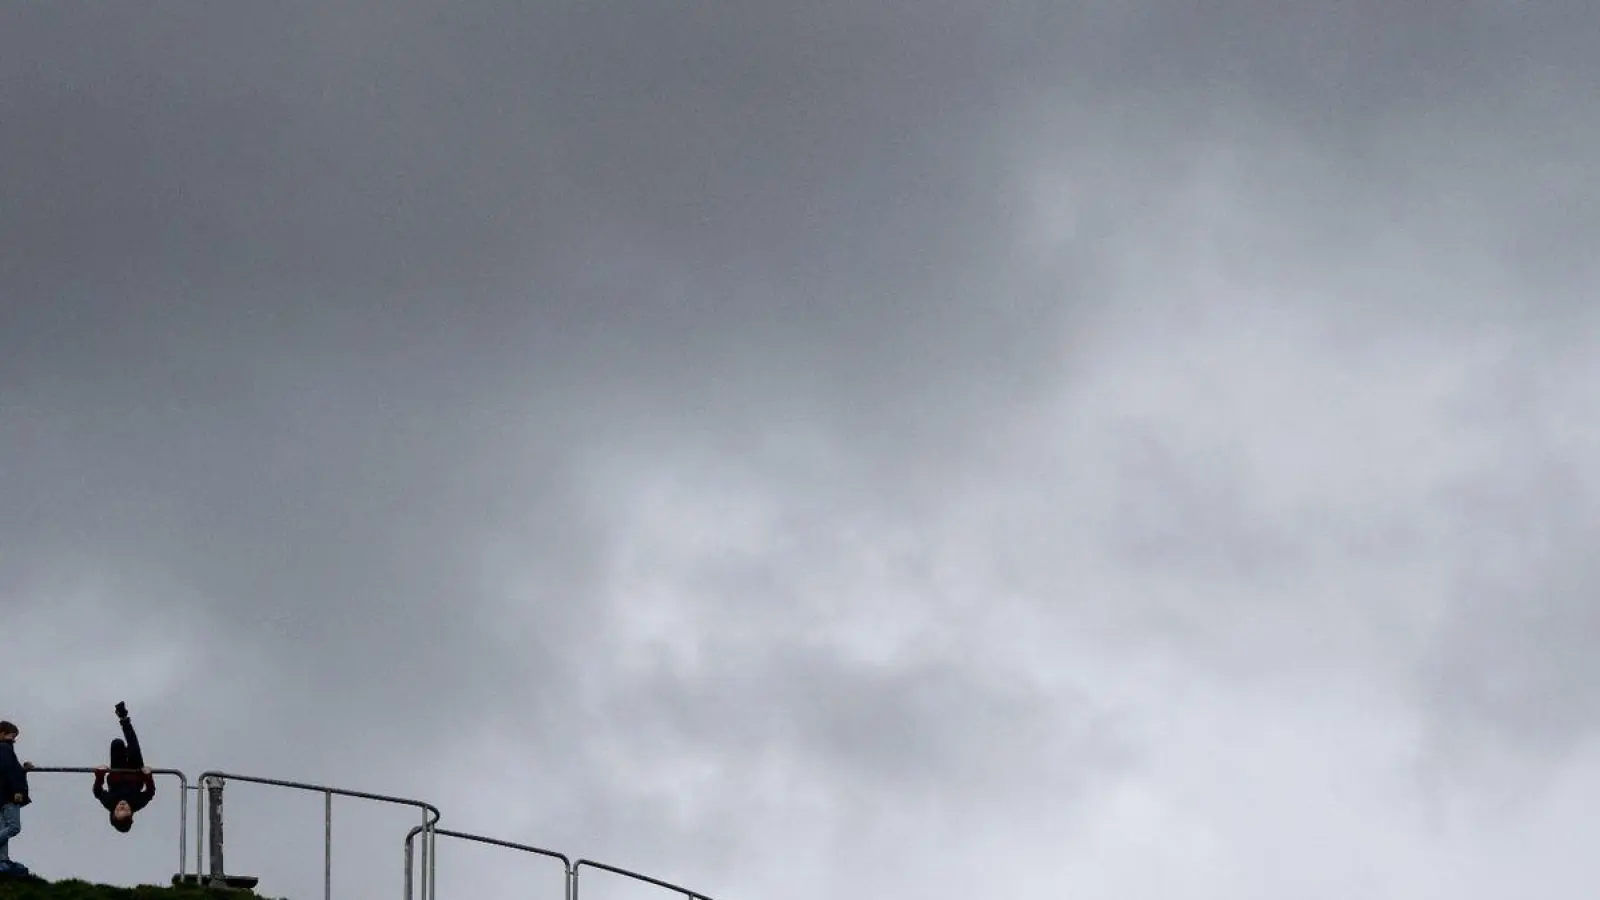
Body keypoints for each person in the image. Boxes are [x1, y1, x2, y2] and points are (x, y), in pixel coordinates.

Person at [93, 702, 155, 833]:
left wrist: (100, 775)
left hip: (118, 772)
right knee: (134, 749)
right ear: (131, 813)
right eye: (125, 810)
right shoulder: (137, 803)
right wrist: (148, 776)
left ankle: (122, 748)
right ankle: (124, 718)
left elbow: (97, 792)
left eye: (119, 809)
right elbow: (150, 793)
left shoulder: (109, 802)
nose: (122, 805)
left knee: (117, 743)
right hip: (135, 773)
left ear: (113, 812)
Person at [0, 720, 33, 876]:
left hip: (2, 797)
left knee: (3, 829)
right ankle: (3, 860)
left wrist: (24, 769)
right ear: (3, 734)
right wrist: (18, 791)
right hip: (8, 797)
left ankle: (2, 860)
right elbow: (10, 773)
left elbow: (12, 771)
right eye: (12, 735)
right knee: (14, 827)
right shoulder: (5, 749)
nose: (14, 739)